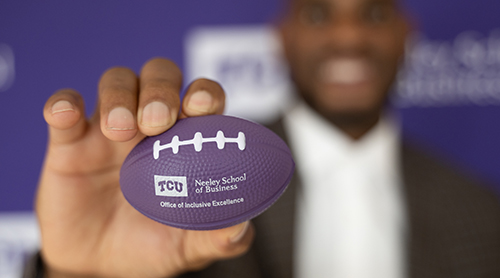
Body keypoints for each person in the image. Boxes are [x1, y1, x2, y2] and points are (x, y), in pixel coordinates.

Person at [25, 0, 500, 277]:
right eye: (318, 15)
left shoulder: (482, 213)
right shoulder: (190, 201)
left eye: (373, 14)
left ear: (406, 35)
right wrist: (78, 272)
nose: (349, 36)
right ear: (283, 38)